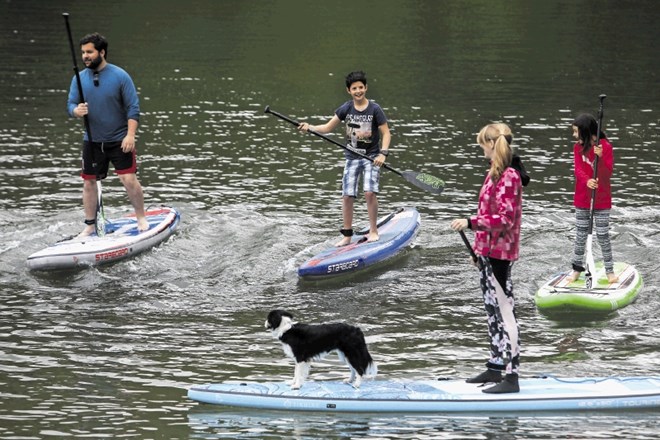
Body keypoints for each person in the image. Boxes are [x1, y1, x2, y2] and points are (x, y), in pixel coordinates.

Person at [450, 123, 525, 394]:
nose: (480, 148)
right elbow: (488, 214)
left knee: (505, 313)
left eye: (482, 143)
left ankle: (511, 376)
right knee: (491, 312)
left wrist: (470, 223)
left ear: (492, 144)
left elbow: (504, 220)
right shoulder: (492, 173)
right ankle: (495, 367)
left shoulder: (509, 177)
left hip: (501, 255)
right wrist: (478, 249)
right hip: (487, 253)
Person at [67, 32, 148, 236]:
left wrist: (130, 135)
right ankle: (90, 225)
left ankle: (141, 217)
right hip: (92, 140)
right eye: (83, 52)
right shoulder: (78, 78)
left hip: (119, 139)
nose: (85, 56)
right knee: (89, 182)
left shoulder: (120, 76)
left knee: (128, 179)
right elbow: (70, 104)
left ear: (102, 52)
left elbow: (133, 108)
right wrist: (76, 111)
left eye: (90, 52)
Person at [298, 71, 391, 246]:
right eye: (354, 88)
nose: (358, 91)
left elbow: (386, 133)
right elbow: (326, 128)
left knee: (369, 192)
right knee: (347, 195)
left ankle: (373, 231)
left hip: (372, 157)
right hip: (352, 157)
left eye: (361, 87)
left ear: (366, 88)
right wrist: (309, 127)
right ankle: (347, 235)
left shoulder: (375, 109)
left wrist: (383, 154)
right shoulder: (346, 108)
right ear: (349, 90)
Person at [565, 114, 617, 283]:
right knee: (580, 235)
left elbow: (607, 174)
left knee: (602, 235)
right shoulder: (577, 148)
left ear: (586, 132)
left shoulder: (606, 147)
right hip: (582, 199)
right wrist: (587, 180)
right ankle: (576, 269)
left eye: (576, 132)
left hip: (601, 200)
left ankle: (610, 272)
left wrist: (600, 158)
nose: (574, 135)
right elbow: (578, 170)